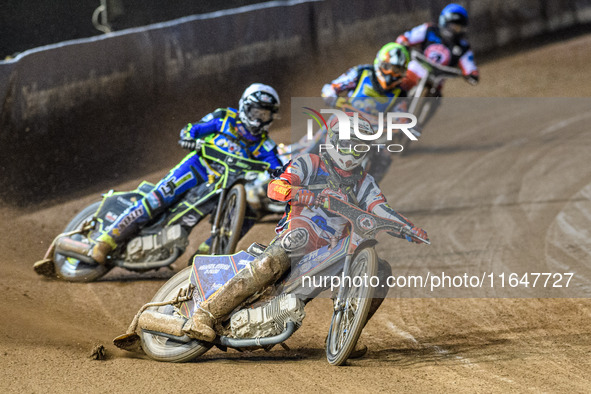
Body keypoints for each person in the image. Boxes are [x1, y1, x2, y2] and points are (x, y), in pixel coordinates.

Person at [185, 112, 428, 358]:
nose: (352, 151)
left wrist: (407, 227)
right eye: (347, 143)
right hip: (299, 233)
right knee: (293, 242)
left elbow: (380, 208)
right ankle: (205, 314)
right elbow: (276, 186)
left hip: (333, 249)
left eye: (359, 146)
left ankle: (346, 332)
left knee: (381, 271)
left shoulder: (364, 182)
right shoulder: (310, 163)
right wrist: (297, 192)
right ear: (333, 140)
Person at [59, 83, 283, 264]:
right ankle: (106, 240)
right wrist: (189, 136)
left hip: (223, 185)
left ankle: (204, 257)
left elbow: (276, 164)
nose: (258, 119)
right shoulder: (224, 118)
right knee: (159, 198)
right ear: (245, 106)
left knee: (249, 212)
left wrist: (282, 174)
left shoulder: (264, 145)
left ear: (271, 117)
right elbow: (194, 128)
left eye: (264, 114)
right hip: (197, 167)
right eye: (256, 111)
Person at [297, 42, 411, 182]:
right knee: (320, 140)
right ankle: (293, 172)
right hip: (344, 120)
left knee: (385, 157)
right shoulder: (361, 73)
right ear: (380, 63)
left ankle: (368, 193)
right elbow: (330, 88)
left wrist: (401, 126)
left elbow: (402, 117)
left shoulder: (401, 93)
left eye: (397, 70)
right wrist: (334, 99)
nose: (391, 74)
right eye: (388, 68)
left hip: (372, 133)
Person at [395, 3, 479, 94]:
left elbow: (469, 67)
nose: (456, 30)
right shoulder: (430, 30)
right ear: (445, 22)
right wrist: (404, 43)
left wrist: (472, 74)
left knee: (436, 96)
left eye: (459, 28)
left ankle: (426, 106)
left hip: (437, 78)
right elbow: (405, 38)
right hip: (418, 66)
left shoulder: (463, 46)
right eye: (454, 27)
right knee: (403, 85)